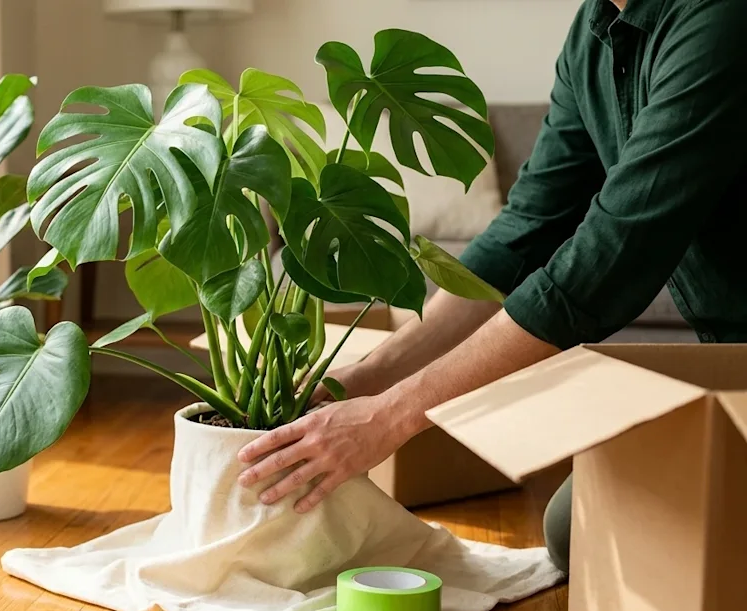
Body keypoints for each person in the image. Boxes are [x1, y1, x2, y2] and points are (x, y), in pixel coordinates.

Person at [237, 0, 747, 574]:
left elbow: (612, 258)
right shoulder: (592, 32)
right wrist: (367, 377)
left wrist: (391, 416)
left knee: (614, 537)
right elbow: (525, 231)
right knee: (577, 532)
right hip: (730, 353)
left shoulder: (722, 19)